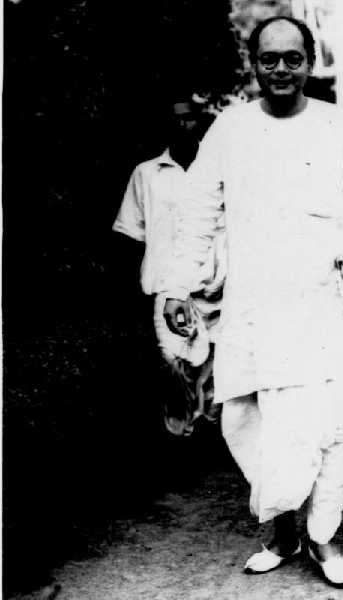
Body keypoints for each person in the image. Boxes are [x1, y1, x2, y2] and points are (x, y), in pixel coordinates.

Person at [160, 16, 343, 587]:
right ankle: (284, 529)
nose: (281, 70)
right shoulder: (230, 129)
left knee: (325, 429)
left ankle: (325, 538)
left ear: (310, 63)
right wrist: (177, 285)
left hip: (324, 307)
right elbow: (196, 213)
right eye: (270, 59)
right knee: (249, 422)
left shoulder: (340, 125)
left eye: (293, 58)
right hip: (253, 309)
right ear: (254, 64)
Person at [112, 98, 223, 437]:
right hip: (166, 286)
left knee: (215, 367)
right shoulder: (146, 173)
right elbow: (131, 233)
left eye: (188, 119)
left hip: (217, 287)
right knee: (172, 360)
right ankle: (179, 433)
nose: (182, 126)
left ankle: (208, 433)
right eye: (174, 120)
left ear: (199, 123)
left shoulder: (221, 170)